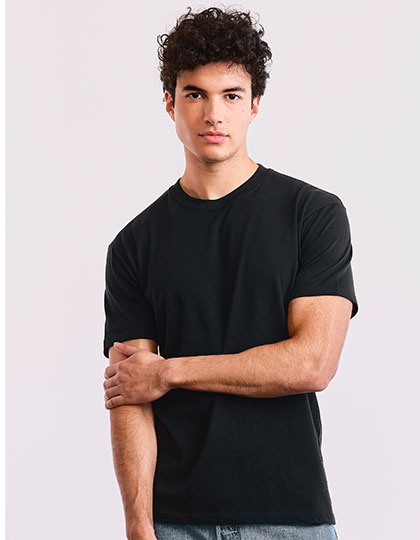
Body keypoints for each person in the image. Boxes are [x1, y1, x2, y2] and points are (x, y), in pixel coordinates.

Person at [102, 6, 358, 540]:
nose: (213, 114)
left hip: (288, 517)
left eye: (232, 96)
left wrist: (170, 372)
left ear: (255, 105)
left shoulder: (312, 215)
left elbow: (312, 363)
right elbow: (130, 392)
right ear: (170, 103)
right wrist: (138, 526)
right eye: (195, 94)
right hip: (173, 522)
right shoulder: (134, 245)